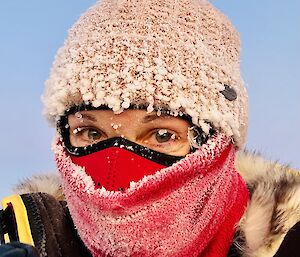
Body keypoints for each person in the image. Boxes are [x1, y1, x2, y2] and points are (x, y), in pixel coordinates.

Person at [0, 0, 299, 256]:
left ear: (218, 143)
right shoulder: (30, 239)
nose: (117, 171)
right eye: (91, 133)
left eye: (162, 135)